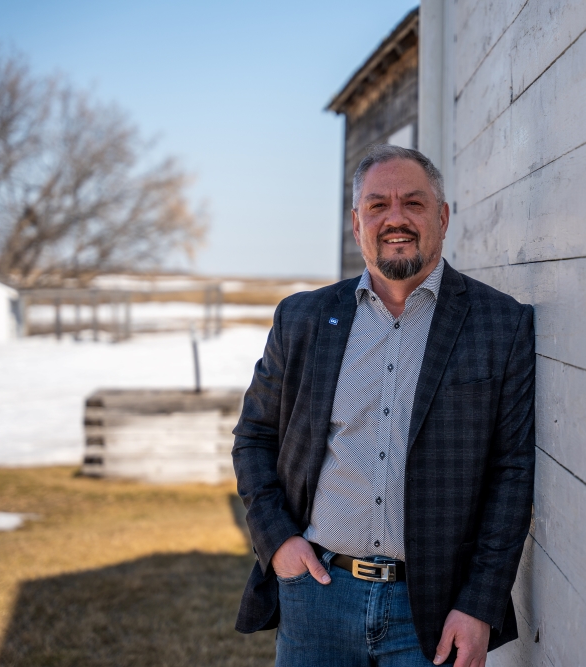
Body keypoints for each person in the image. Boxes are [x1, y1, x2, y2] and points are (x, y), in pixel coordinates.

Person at [232, 144, 535, 667]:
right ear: (356, 223)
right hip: (318, 597)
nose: (396, 218)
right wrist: (278, 541)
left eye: (413, 203)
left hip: (437, 611)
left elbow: (511, 473)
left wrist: (479, 604)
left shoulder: (500, 325)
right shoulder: (301, 319)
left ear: (442, 217)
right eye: (378, 205)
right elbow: (254, 438)